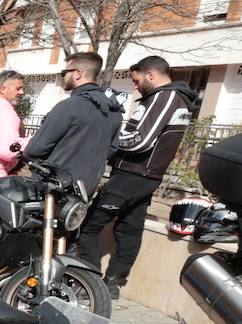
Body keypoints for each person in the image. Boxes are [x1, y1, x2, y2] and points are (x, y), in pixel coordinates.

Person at [76, 55, 199, 298]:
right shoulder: (169, 98)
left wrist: (106, 138)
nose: (135, 85)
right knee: (129, 230)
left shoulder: (166, 97)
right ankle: (112, 283)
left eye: (137, 80)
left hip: (134, 175)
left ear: (151, 75)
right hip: (142, 176)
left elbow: (141, 141)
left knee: (89, 226)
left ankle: (90, 285)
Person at [23, 51, 123, 195]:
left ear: (78, 73)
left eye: (64, 72)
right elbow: (112, 149)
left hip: (53, 188)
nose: (63, 76)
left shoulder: (69, 106)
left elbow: (35, 149)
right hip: (84, 191)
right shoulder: (114, 111)